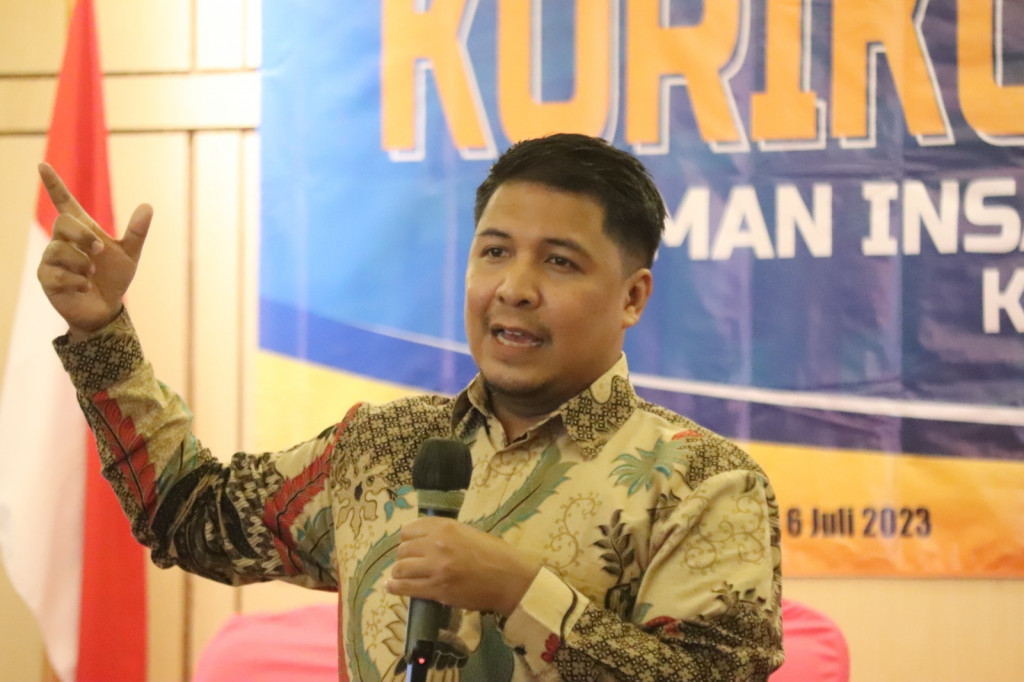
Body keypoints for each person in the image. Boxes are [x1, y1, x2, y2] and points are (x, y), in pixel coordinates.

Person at [38, 133, 783, 681]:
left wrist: (521, 593)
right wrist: (102, 333)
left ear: (633, 297)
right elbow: (187, 512)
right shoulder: (383, 446)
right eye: (494, 251)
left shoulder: (706, 483)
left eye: (559, 261)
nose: (514, 288)